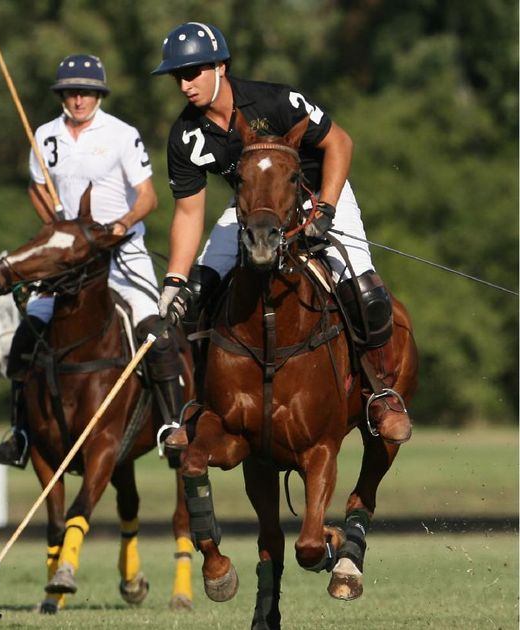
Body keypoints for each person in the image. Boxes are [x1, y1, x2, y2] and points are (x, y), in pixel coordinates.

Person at [151, 22, 411, 444]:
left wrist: (326, 209)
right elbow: (188, 212)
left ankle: (380, 394)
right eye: (178, 76)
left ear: (220, 66)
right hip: (255, 211)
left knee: (366, 294)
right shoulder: (185, 135)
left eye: (193, 72)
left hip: (317, 192)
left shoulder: (274, 100)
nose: (185, 85)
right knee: (195, 295)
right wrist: (175, 280)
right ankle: (200, 405)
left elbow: (340, 143)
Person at [0, 54, 186, 468]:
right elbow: (36, 188)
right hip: (71, 260)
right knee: (28, 335)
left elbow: (148, 197)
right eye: (71, 92)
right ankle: (20, 433)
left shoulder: (121, 134)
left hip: (122, 251)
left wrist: (122, 224)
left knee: (155, 332)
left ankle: (172, 425)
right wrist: (57, 229)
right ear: (62, 96)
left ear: (99, 95)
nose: (79, 100)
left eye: (87, 92)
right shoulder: (45, 135)